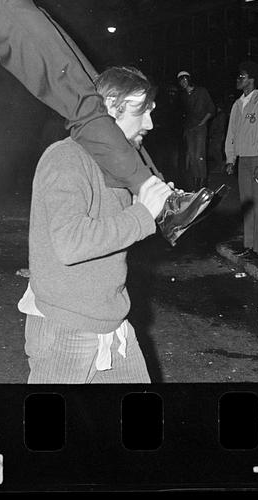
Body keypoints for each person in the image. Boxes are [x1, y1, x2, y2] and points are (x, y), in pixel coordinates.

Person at [0, 0, 215, 245]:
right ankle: (164, 205)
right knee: (88, 106)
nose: (149, 122)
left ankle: (165, 197)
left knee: (96, 93)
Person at [18, 66, 173, 383]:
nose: (150, 123)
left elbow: (115, 228)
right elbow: (71, 243)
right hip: (66, 325)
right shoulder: (66, 158)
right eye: (142, 111)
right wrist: (142, 213)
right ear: (112, 105)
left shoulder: (118, 166)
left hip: (110, 319)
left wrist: (163, 210)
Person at [225, 61, 258, 256]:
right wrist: (231, 159)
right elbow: (231, 133)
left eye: (243, 76)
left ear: (252, 80)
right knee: (247, 203)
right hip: (244, 159)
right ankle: (248, 245)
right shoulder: (237, 104)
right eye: (239, 76)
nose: (239, 79)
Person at [177, 71, 216, 190]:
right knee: (192, 156)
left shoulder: (201, 91)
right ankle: (196, 183)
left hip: (200, 128)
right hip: (189, 129)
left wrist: (202, 122)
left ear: (189, 79)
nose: (183, 82)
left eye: (185, 79)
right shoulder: (183, 96)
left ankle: (203, 183)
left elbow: (211, 109)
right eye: (180, 81)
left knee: (200, 155)